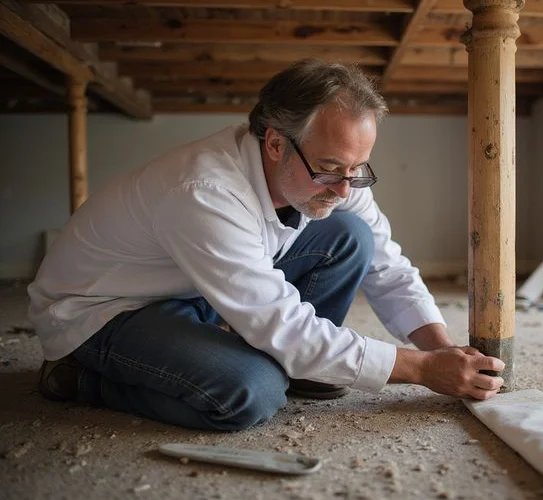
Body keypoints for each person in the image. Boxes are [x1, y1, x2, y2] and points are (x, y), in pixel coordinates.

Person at [28, 59, 505, 431]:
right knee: (251, 391)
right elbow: (281, 321)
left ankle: (306, 368)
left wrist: (445, 352)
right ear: (275, 143)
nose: (345, 187)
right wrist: (421, 370)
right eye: (330, 168)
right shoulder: (205, 192)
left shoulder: (337, 173)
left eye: (357, 168)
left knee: (350, 234)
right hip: (106, 308)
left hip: (193, 288)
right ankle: (80, 375)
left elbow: (386, 265)